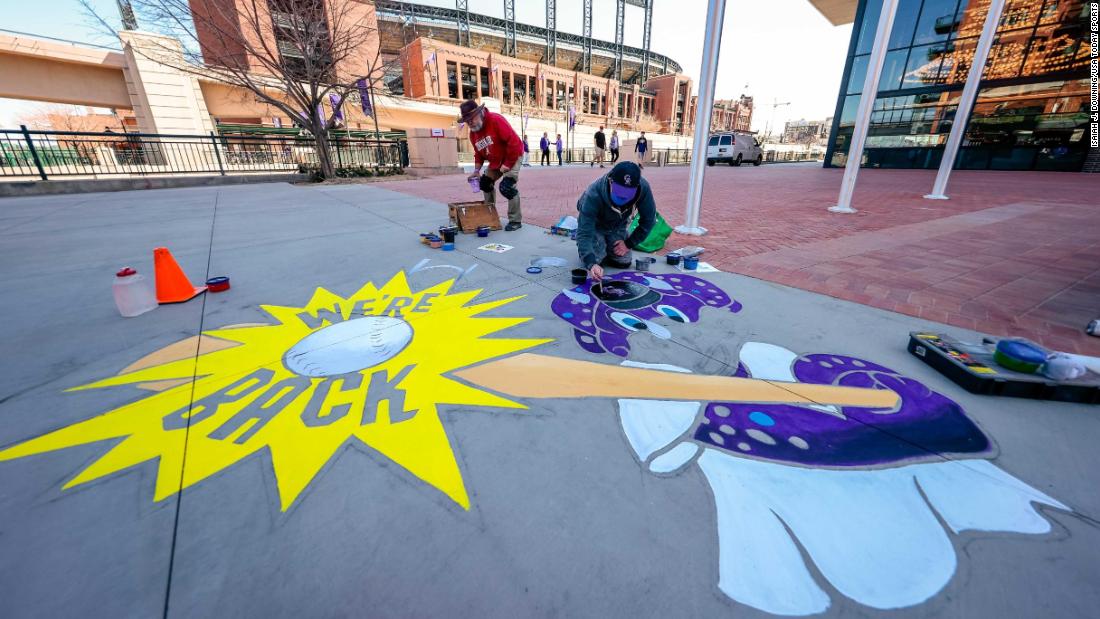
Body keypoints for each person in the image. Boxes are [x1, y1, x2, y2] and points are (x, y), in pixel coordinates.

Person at [575, 161, 656, 281]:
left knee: (623, 261)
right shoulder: (593, 193)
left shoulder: (643, 188)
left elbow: (649, 221)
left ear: (637, 186)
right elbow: (584, 232)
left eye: (627, 194)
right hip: (596, 225)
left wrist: (629, 244)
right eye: (619, 192)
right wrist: (591, 263)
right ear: (610, 181)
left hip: (617, 226)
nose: (622, 197)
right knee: (595, 260)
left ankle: (605, 246)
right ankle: (599, 247)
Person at [460, 99, 524, 231]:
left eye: (472, 118)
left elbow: (514, 143)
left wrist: (507, 164)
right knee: (485, 183)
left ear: (480, 112)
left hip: (513, 155)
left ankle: (515, 220)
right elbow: (478, 153)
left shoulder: (496, 120)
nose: (470, 122)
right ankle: (489, 215)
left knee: (507, 187)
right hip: (496, 161)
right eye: (467, 121)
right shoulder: (473, 134)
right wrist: (476, 171)